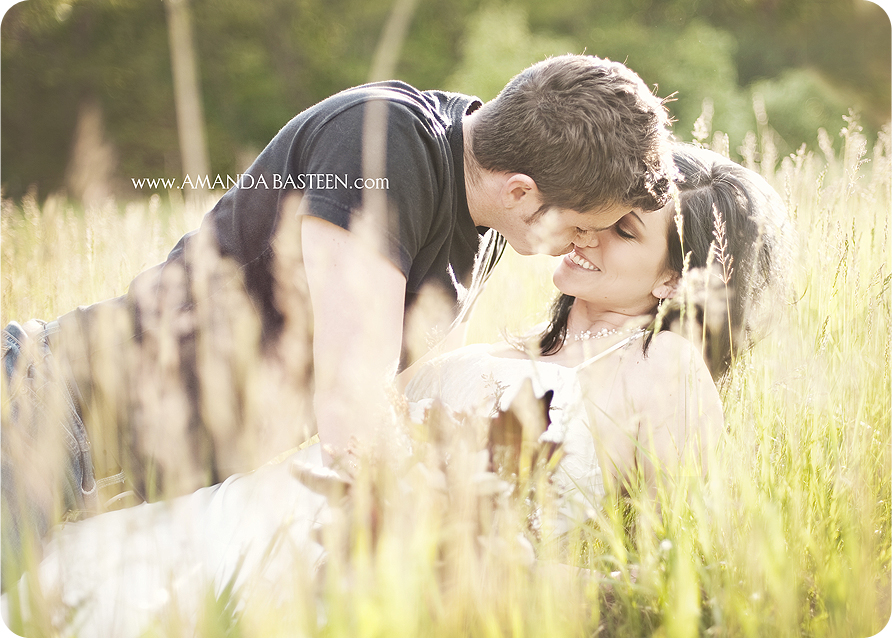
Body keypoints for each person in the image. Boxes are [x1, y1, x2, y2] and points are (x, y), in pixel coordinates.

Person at [3, 146, 791, 636]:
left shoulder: (667, 372)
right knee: (61, 586)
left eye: (624, 231)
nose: (585, 233)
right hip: (266, 508)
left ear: (674, 278)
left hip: (360, 576)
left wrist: (485, 564)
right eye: (596, 212)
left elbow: (681, 563)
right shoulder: (515, 341)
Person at [1, 54, 672, 570]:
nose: (584, 244)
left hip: (130, 488)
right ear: (523, 191)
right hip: (49, 417)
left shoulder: (489, 225)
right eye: (585, 226)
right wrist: (470, 539)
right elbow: (352, 412)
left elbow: (404, 401)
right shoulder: (381, 142)